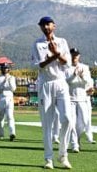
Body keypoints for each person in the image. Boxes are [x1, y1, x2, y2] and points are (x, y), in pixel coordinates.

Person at [31, 16, 72, 169]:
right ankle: (49, 159)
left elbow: (66, 63)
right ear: (40, 27)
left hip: (61, 82)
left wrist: (57, 54)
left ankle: (63, 154)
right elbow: (38, 66)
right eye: (43, 25)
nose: (46, 27)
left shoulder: (62, 42)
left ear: (54, 26)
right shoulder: (37, 43)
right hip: (45, 84)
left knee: (67, 118)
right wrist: (53, 57)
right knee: (47, 124)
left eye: (48, 24)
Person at [65, 48, 94, 153]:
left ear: (79, 56)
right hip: (70, 98)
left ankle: (77, 139)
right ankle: (74, 144)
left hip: (82, 98)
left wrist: (81, 76)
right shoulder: (66, 67)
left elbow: (88, 82)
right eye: (73, 54)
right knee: (71, 122)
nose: (74, 57)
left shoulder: (85, 67)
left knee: (83, 122)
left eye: (76, 55)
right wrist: (74, 75)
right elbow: (65, 82)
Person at [0, 63, 17, 141]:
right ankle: (1, 134)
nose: (5, 69)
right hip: (1, 98)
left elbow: (13, 88)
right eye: (4, 68)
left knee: (10, 116)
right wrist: (4, 81)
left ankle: (12, 133)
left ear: (8, 69)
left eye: (6, 68)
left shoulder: (12, 77)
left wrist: (8, 81)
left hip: (9, 98)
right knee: (1, 118)